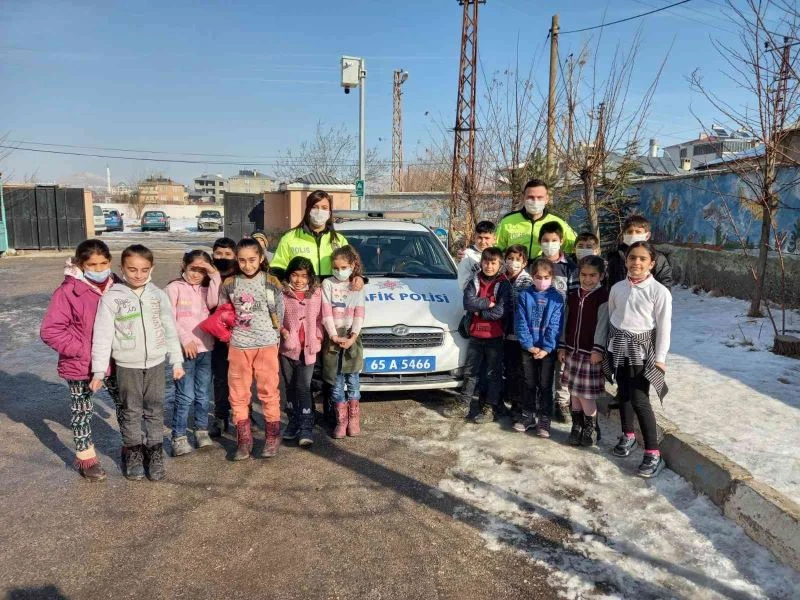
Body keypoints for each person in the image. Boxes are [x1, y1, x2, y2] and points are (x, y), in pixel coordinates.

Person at [90, 244, 184, 481]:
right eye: (132, 269)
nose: (138, 275)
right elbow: (102, 335)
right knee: (131, 411)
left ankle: (155, 453)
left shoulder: (158, 296)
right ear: (122, 268)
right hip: (127, 365)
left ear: (152, 268)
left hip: (155, 364)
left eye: (144, 270)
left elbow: (169, 329)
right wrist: (98, 371)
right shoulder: (112, 298)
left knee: (154, 410)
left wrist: (176, 360)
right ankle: (134, 454)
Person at [40, 239, 122, 481]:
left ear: (110, 261)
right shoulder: (68, 291)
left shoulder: (117, 285)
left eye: (103, 263)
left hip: (116, 360)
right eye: (92, 265)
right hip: (81, 364)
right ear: (80, 264)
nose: (99, 269)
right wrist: (83, 351)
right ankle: (86, 459)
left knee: (126, 404)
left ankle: (131, 447)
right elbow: (51, 330)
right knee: (82, 410)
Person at [605, 241, 672, 478]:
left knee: (640, 399)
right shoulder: (617, 288)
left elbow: (664, 327)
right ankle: (628, 435)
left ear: (652, 263)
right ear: (626, 261)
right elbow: (613, 316)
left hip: (642, 353)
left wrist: (660, 359)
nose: (637, 262)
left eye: (643, 259)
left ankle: (653, 452)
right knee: (623, 392)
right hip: (618, 348)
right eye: (632, 257)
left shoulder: (659, 292)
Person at [219, 238, 284, 460]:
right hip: (239, 346)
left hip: (266, 345)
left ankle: (272, 438)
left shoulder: (271, 282)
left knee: (268, 392)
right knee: (238, 394)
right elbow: (223, 312)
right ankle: (244, 440)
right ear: (237, 260)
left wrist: (274, 335)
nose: (247, 265)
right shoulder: (229, 284)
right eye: (242, 260)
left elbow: (280, 312)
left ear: (261, 258)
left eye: (252, 260)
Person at [445, 247, 511, 424]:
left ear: (500, 264)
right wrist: (488, 303)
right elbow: (468, 302)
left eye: (493, 263)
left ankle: (490, 407)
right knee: (470, 372)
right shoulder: (474, 280)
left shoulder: (503, 284)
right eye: (486, 262)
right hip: (475, 335)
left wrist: (480, 312)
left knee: (493, 374)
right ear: (481, 263)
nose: (489, 266)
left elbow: (500, 311)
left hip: (495, 337)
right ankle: (463, 405)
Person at [165, 250, 221, 456]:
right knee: (185, 395)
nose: (196, 274)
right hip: (184, 351)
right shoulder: (173, 288)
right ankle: (179, 437)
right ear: (184, 266)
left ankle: (201, 430)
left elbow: (214, 303)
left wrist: (213, 274)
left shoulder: (208, 288)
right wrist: (184, 339)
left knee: (203, 393)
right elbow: (168, 318)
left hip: (206, 348)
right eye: (192, 269)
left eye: (201, 270)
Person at [558, 256, 609, 447]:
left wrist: (598, 349)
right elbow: (566, 322)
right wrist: (562, 345)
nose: (587, 279)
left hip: (590, 354)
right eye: (584, 275)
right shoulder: (573, 295)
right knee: (574, 392)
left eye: (593, 275)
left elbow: (603, 325)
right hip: (572, 351)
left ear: (601, 276)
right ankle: (577, 426)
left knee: (586, 395)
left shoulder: (603, 297)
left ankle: (591, 428)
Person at [514, 258, 564, 437]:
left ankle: (544, 418)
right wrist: (529, 345)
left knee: (545, 385)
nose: (542, 281)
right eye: (538, 277)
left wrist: (547, 348)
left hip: (547, 351)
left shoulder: (557, 298)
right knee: (528, 383)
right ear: (532, 276)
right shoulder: (524, 296)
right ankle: (528, 415)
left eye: (546, 277)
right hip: (528, 348)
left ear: (552, 277)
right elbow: (520, 322)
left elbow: (555, 325)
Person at [321, 246, 366, 439]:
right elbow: (326, 312)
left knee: (353, 380)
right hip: (334, 338)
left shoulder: (357, 285)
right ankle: (341, 420)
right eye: (335, 268)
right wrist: (333, 335)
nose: (339, 271)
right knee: (336, 382)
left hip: (351, 337)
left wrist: (353, 336)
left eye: (344, 267)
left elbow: (359, 313)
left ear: (353, 265)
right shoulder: (327, 284)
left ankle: (354, 419)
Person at [279, 256, 324, 447]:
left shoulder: (316, 293)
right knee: (290, 386)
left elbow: (321, 318)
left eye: (304, 276)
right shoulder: (282, 293)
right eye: (295, 275)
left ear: (310, 277)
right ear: (289, 275)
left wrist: (318, 337)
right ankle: (293, 421)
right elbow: (276, 317)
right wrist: (283, 331)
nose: (299, 280)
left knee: (303, 387)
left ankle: (306, 426)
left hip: (309, 349)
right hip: (288, 349)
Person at [537, 221, 579, 423]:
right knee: (541, 366)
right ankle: (539, 401)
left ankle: (561, 403)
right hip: (538, 325)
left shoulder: (570, 267)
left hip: (562, 325)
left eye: (554, 240)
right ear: (540, 242)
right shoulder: (534, 264)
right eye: (545, 240)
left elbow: (574, 297)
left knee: (562, 367)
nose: (550, 244)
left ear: (561, 241)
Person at [270, 190, 351, 280]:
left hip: (332, 288)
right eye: (315, 207)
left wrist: (358, 278)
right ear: (308, 210)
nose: (319, 211)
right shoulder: (289, 238)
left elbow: (351, 267)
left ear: (329, 212)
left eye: (324, 208)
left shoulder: (340, 240)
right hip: (301, 288)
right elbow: (277, 268)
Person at [496, 178, 577, 259]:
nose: (535, 201)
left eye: (540, 197)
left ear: (547, 199)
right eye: (530, 197)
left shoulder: (558, 222)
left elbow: (575, 246)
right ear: (523, 197)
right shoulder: (507, 221)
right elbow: (495, 249)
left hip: (545, 266)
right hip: (515, 266)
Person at [208, 237, 238, 437]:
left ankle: (244, 414)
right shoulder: (207, 276)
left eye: (228, 254)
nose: (223, 257)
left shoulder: (240, 275)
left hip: (240, 334)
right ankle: (221, 416)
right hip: (216, 336)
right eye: (219, 253)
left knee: (241, 378)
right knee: (220, 377)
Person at [502, 245, 533, 419]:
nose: (513, 262)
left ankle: (519, 405)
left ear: (524, 262)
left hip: (520, 334)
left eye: (517, 259)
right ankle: (507, 399)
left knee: (519, 371)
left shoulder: (527, 281)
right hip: (503, 332)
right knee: (508, 368)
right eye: (510, 258)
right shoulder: (501, 277)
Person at [606, 215, 673, 289]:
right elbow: (610, 284)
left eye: (638, 232)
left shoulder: (657, 258)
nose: (633, 235)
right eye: (629, 232)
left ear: (647, 235)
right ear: (624, 235)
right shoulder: (616, 257)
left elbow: (665, 286)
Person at [457, 220, 496, 290]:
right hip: (475, 295)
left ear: (494, 238)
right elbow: (463, 284)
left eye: (487, 238)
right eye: (480, 238)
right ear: (474, 237)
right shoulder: (466, 255)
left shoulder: (498, 255)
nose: (483, 242)